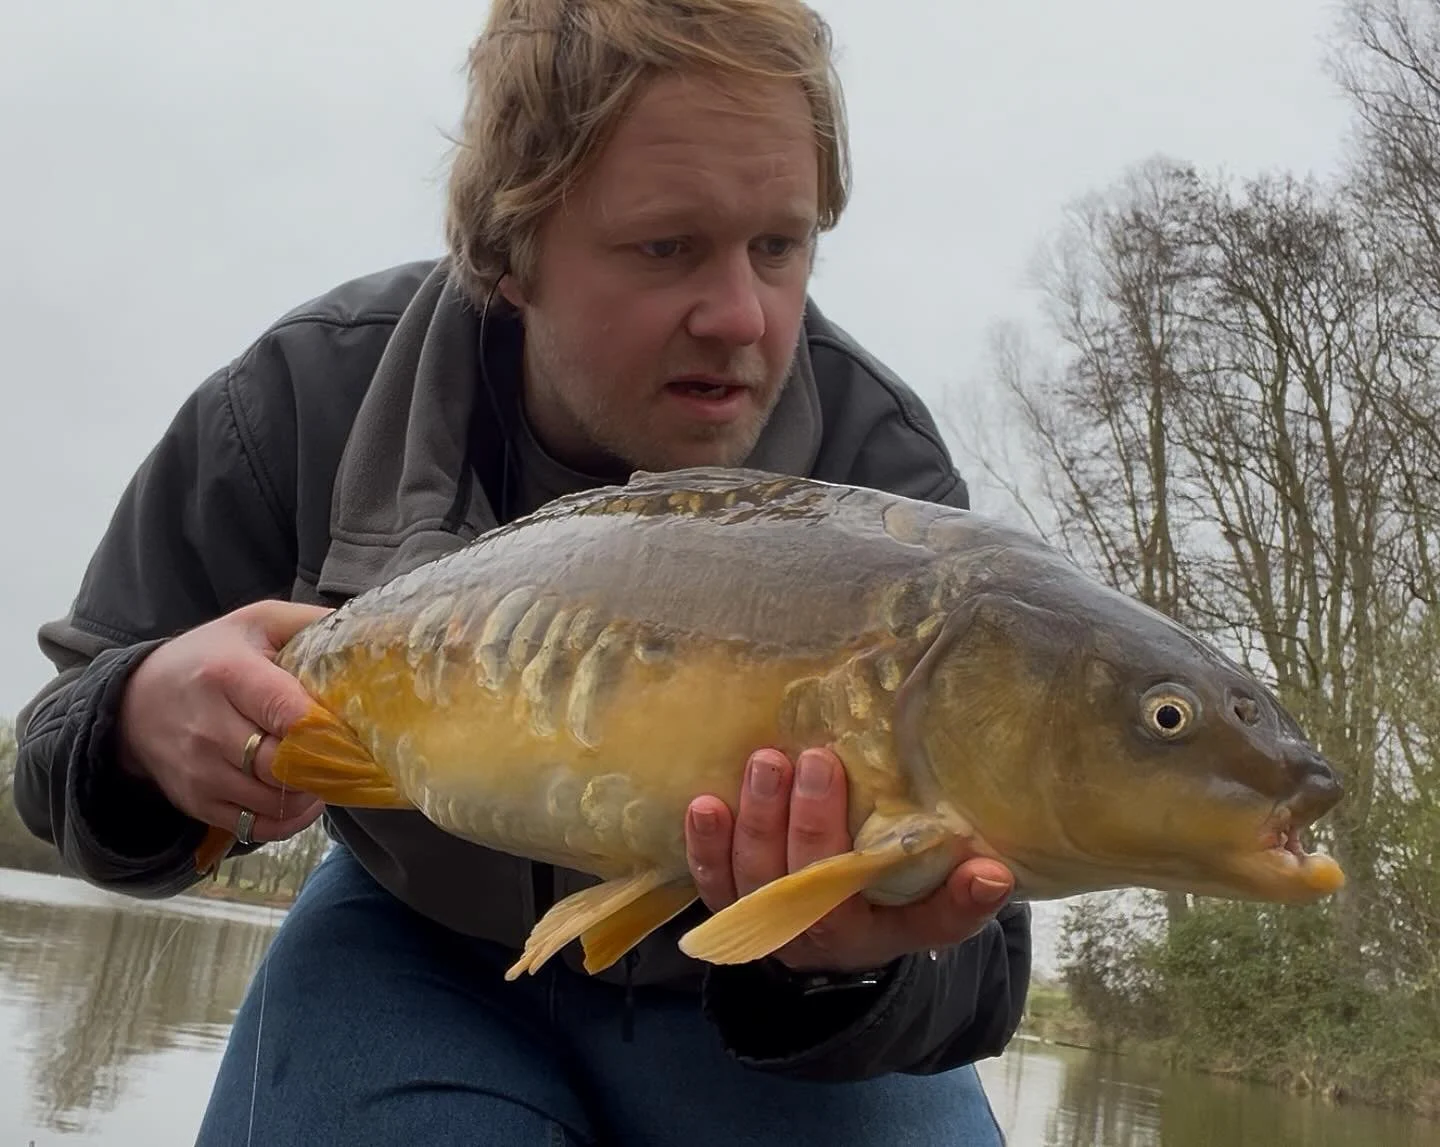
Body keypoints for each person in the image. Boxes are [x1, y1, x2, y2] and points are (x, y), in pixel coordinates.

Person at [12, 1, 1031, 1143]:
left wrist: (843, 960)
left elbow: (987, 957)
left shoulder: (887, 482)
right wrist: (143, 720)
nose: (742, 314)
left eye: (780, 246)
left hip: (740, 986)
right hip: (413, 928)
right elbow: (57, 756)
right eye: (666, 246)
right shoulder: (300, 400)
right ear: (508, 252)